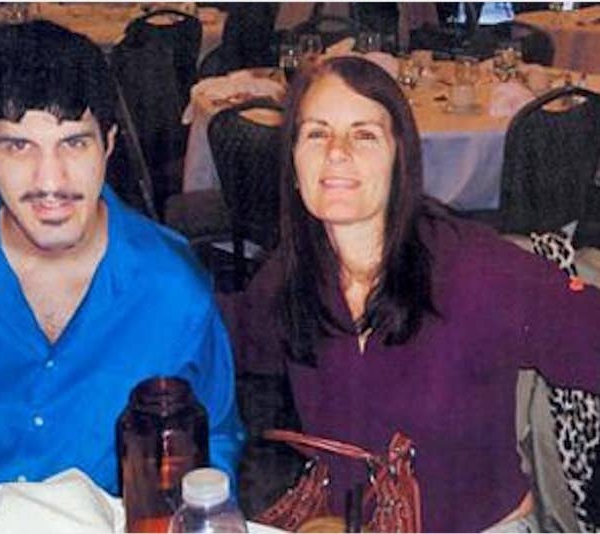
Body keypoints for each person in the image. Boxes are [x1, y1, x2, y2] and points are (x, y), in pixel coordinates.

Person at [220, 56, 600, 532]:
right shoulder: (292, 275)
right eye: (317, 133)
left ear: (401, 158)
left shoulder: (473, 269)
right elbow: (227, 338)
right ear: (294, 162)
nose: (336, 151)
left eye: (364, 134)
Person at [0, 21, 244, 495]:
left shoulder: (172, 287)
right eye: (19, 146)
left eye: (74, 143)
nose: (50, 180)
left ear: (109, 143)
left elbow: (216, 442)